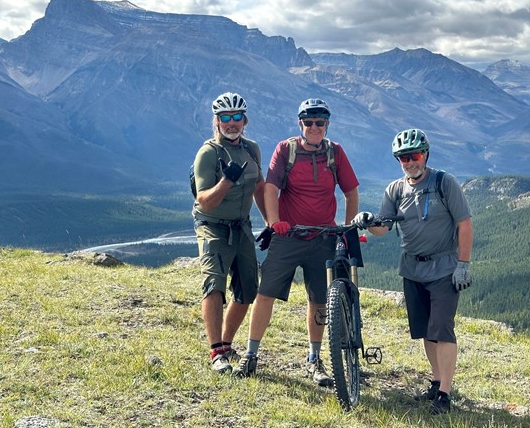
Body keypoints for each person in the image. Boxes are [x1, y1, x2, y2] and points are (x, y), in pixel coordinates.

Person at [233, 98, 360, 386]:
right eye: (309, 122)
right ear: (300, 123)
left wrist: (346, 228)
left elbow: (351, 193)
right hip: (288, 236)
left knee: (318, 300)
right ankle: (251, 354)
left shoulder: (335, 153)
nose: (314, 127)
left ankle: (314, 359)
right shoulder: (286, 150)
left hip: (323, 237)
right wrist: (274, 222)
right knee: (265, 293)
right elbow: (271, 189)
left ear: (327, 125)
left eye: (320, 123)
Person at [352, 128, 473, 414]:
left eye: (415, 156)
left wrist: (463, 264)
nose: (410, 162)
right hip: (412, 269)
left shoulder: (445, 183)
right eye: (404, 158)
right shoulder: (395, 190)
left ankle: (445, 393)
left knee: (442, 330)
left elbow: (464, 224)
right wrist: (367, 221)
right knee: (426, 331)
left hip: (444, 268)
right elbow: (383, 228)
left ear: (426, 155)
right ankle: (436, 381)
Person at [192, 92, 267, 374]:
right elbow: (204, 200)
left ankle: (225, 343)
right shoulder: (209, 153)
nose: (231, 123)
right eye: (226, 118)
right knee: (214, 284)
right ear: (217, 121)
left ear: (244, 120)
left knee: (248, 289)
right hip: (212, 226)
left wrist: (270, 223)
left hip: (242, 226)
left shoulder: (252, 149)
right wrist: (226, 181)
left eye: (237, 117)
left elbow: (260, 187)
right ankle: (216, 352)